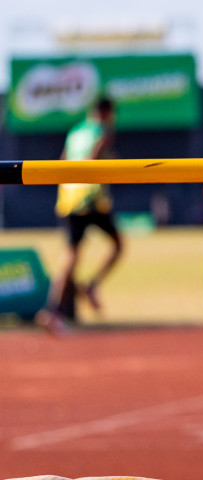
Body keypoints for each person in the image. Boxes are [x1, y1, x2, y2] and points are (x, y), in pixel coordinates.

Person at [42, 96, 125, 332]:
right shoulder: (102, 130)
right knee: (117, 246)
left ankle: (55, 309)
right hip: (89, 199)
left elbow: (63, 160)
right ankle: (88, 288)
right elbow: (94, 157)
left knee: (71, 255)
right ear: (106, 112)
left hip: (68, 197)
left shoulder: (75, 131)